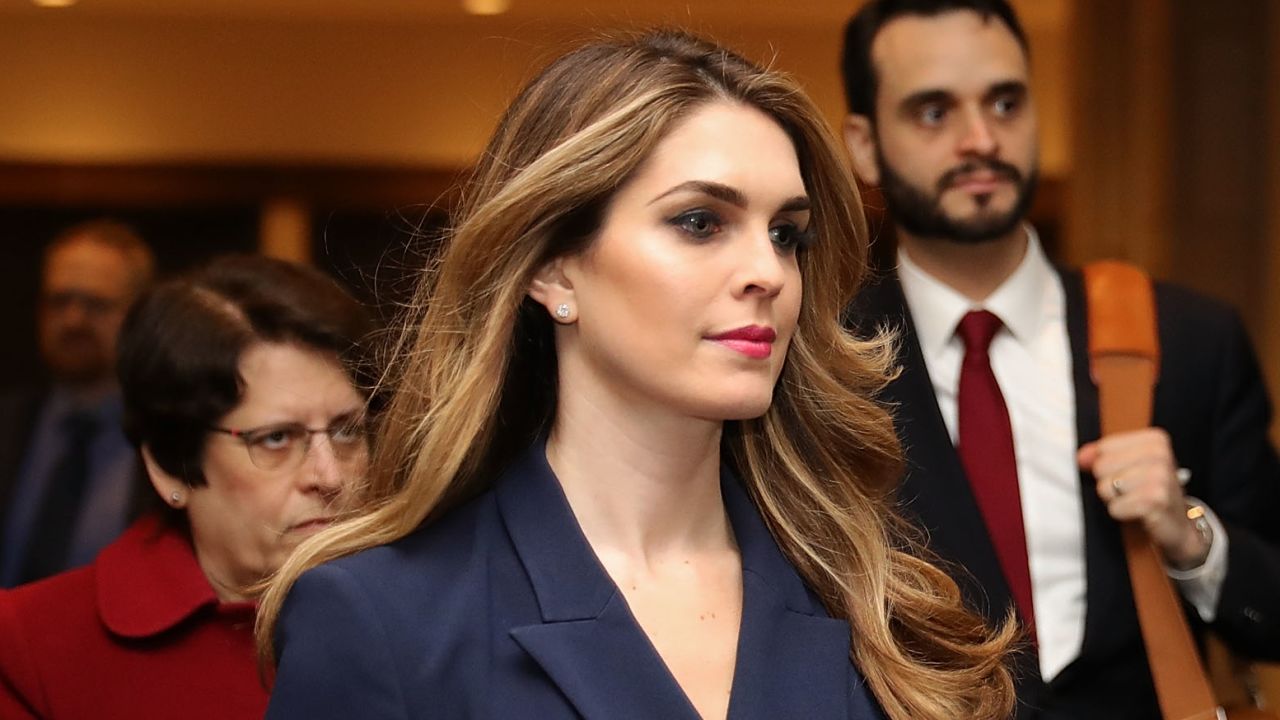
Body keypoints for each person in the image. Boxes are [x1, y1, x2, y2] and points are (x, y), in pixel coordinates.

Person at [258, 30, 1015, 720]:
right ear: (554, 268)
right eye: (700, 222)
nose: (768, 273)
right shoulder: (380, 616)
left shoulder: (880, 604)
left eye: (787, 234)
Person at [839, 1, 1280, 717]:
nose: (980, 139)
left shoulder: (1186, 339)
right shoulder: (823, 359)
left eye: (1005, 102)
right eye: (932, 112)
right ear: (863, 144)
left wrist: (1189, 536)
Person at [0, 255, 375, 720]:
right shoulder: (31, 647)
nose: (330, 476)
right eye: (276, 439)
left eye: (346, 430)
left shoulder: (428, 617)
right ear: (170, 465)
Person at [0, 220, 155, 587]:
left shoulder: (171, 441)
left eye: (95, 304)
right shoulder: (8, 424)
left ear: (139, 314)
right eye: (59, 301)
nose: (73, 320)